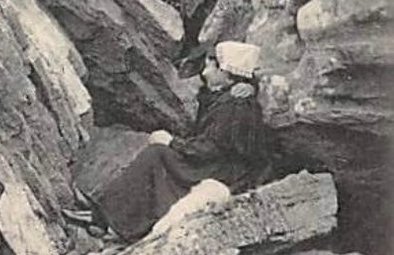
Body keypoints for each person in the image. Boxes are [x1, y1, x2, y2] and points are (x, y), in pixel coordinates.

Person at [69, 56, 274, 242]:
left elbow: (210, 147)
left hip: (224, 170)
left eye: (212, 68)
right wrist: (251, 84)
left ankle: (103, 218)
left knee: (157, 154)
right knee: (158, 157)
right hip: (217, 162)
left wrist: (172, 142)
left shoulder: (235, 106)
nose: (204, 72)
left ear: (227, 77)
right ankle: (104, 215)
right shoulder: (228, 96)